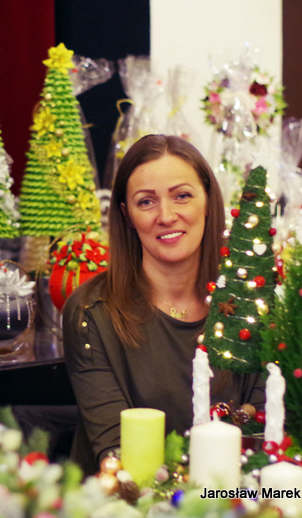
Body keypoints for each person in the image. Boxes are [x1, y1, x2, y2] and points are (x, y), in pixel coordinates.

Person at [63, 134, 264, 475]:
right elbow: (119, 455)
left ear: (208, 201)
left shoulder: (253, 303)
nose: (167, 216)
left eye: (182, 196)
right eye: (146, 202)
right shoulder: (91, 312)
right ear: (127, 215)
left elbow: (263, 434)